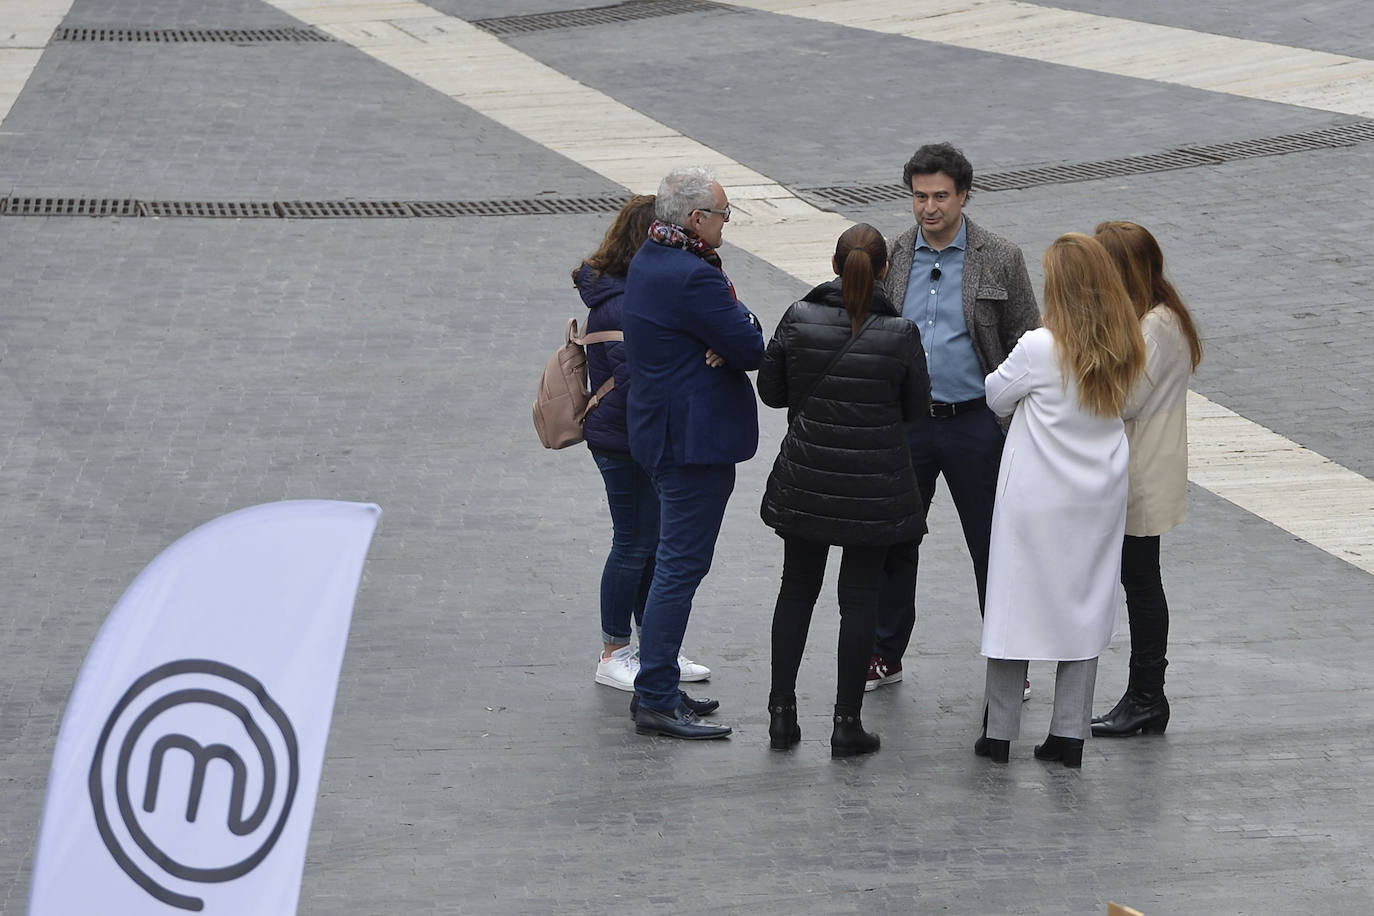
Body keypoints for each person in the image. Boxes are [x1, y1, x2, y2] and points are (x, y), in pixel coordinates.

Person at [870, 142, 1040, 698]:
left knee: (994, 544)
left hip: (975, 425)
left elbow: (1026, 341)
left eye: (941, 196)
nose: (929, 208)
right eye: (920, 196)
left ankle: (1011, 662)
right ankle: (884, 653)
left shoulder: (1000, 257)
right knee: (896, 541)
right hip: (908, 424)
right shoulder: (893, 255)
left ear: (964, 195)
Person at [757, 224, 931, 758]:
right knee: (859, 601)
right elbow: (915, 410)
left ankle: (782, 715)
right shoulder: (900, 333)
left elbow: (770, 391)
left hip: (807, 480)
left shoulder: (798, 318)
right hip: (873, 490)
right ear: (884, 271)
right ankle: (846, 722)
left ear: (834, 266)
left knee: (796, 591)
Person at [975, 233, 1145, 768]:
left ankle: (999, 732)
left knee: (1013, 602)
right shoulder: (1127, 343)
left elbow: (995, 394)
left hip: (1036, 495)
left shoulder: (1039, 346)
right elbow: (1134, 405)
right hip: (1097, 494)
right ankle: (1068, 733)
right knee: (1085, 603)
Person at [623, 166, 765, 740]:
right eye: (723, 215)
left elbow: (729, 340)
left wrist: (722, 339)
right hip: (692, 446)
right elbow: (752, 343)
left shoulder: (650, 260)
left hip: (660, 436)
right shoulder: (693, 278)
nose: (727, 224)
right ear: (696, 219)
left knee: (671, 564)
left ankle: (655, 681)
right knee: (680, 568)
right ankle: (655, 696)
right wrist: (734, 331)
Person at [573, 195, 713, 692]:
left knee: (652, 545)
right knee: (633, 543)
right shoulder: (624, 300)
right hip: (623, 440)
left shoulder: (632, 291)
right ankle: (614, 651)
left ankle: (655, 649)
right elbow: (641, 377)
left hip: (638, 436)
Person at [1090, 221, 1203, 737]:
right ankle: (1144, 696)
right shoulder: (1157, 316)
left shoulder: (1154, 326)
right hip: (1143, 463)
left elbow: (1126, 399)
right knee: (1140, 581)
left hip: (1141, 470)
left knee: (1140, 583)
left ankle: (1146, 696)